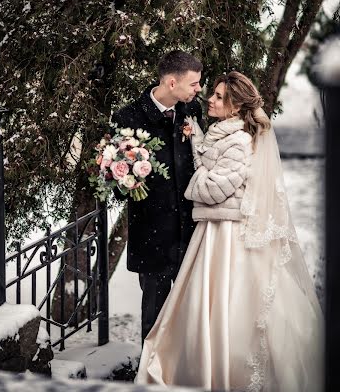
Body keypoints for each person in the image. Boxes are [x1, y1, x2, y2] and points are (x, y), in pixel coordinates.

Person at [136, 71, 323, 391]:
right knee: (210, 306)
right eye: (214, 93)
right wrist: (196, 139)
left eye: (220, 97)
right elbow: (211, 165)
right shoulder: (223, 132)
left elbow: (215, 187)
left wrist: (190, 185)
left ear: (236, 107)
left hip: (227, 234)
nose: (210, 98)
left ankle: (225, 368)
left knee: (229, 303)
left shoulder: (238, 140)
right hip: (214, 229)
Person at [112, 50, 203, 343]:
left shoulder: (193, 111)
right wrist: (124, 177)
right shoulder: (128, 117)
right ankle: (150, 379)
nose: (199, 89)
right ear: (172, 83)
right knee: (154, 315)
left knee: (194, 313)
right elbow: (117, 185)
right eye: (194, 84)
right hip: (153, 237)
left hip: (193, 233)